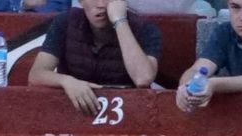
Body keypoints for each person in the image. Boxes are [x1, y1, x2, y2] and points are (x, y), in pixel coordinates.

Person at [28, 0, 163, 114]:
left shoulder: (144, 29)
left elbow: (143, 79)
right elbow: (36, 75)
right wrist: (67, 82)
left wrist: (120, 22)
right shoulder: (66, 22)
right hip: (73, 114)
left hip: (128, 115)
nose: (100, 4)